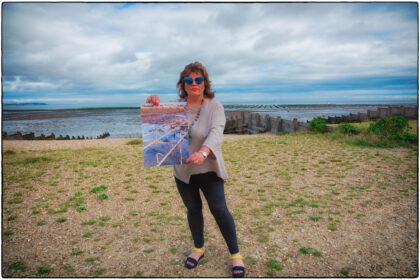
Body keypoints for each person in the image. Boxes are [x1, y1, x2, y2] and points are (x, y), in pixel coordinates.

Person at [146, 62, 245, 277]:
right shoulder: (174, 108)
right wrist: (154, 107)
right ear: (183, 84)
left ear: (204, 83)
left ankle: (235, 254)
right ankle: (199, 248)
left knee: (219, 210)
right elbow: (159, 131)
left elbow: (217, 133)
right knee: (193, 210)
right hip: (184, 172)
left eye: (198, 80)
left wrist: (203, 152)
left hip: (209, 169)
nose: (194, 84)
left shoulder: (215, 107)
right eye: (189, 80)